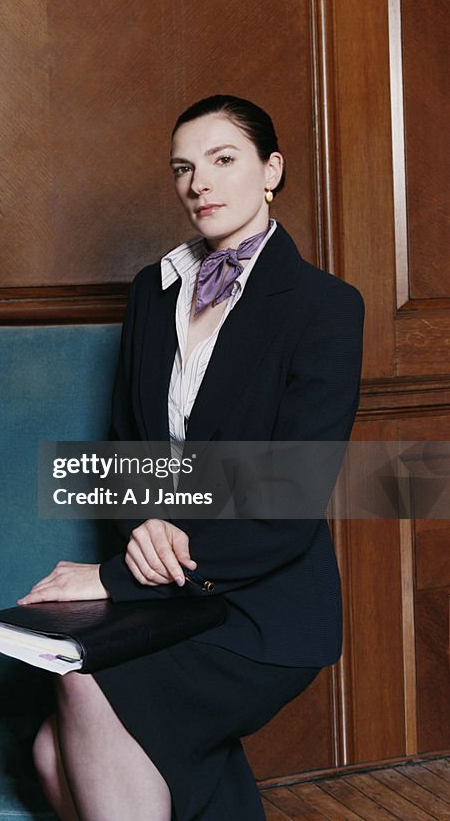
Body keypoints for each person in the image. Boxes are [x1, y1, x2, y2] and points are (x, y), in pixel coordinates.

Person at [19, 95, 364, 821]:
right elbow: (127, 447)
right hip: (170, 589)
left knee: (81, 676)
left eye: (222, 159)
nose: (198, 183)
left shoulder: (325, 307)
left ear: (271, 170)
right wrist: (142, 521)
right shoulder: (153, 290)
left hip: (262, 604)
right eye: (182, 168)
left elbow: (287, 500)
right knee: (49, 752)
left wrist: (113, 578)